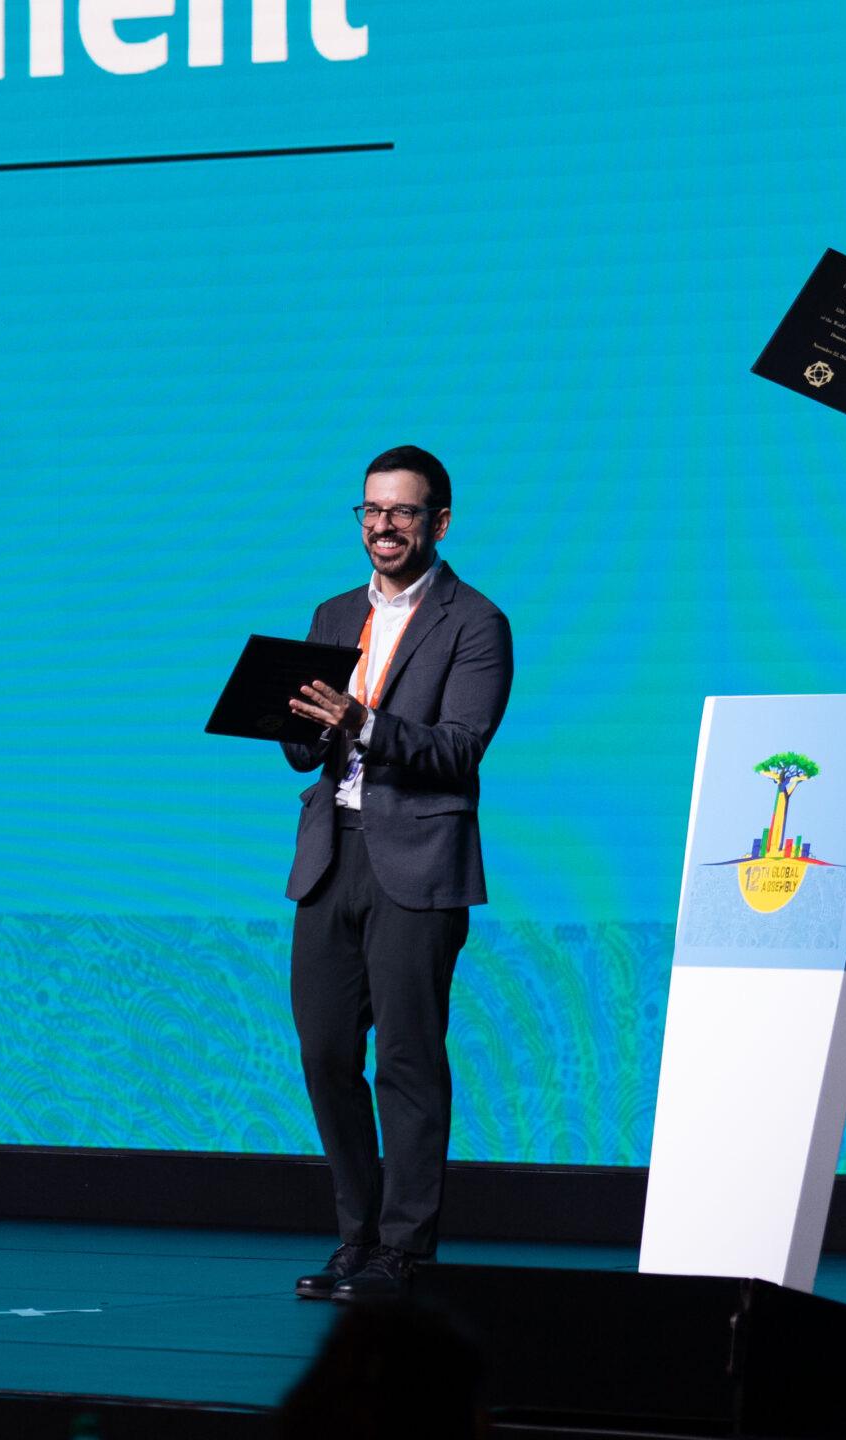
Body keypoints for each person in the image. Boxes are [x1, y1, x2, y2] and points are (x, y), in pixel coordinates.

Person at [282, 445, 513, 1302]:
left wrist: (363, 721)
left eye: (403, 511)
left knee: (408, 1062)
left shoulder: (476, 622)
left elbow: (458, 749)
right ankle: (359, 1236)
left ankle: (405, 1248)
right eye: (372, 510)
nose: (384, 526)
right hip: (329, 857)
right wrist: (291, 719)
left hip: (418, 863)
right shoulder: (332, 613)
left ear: (438, 522)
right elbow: (301, 746)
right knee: (324, 1053)